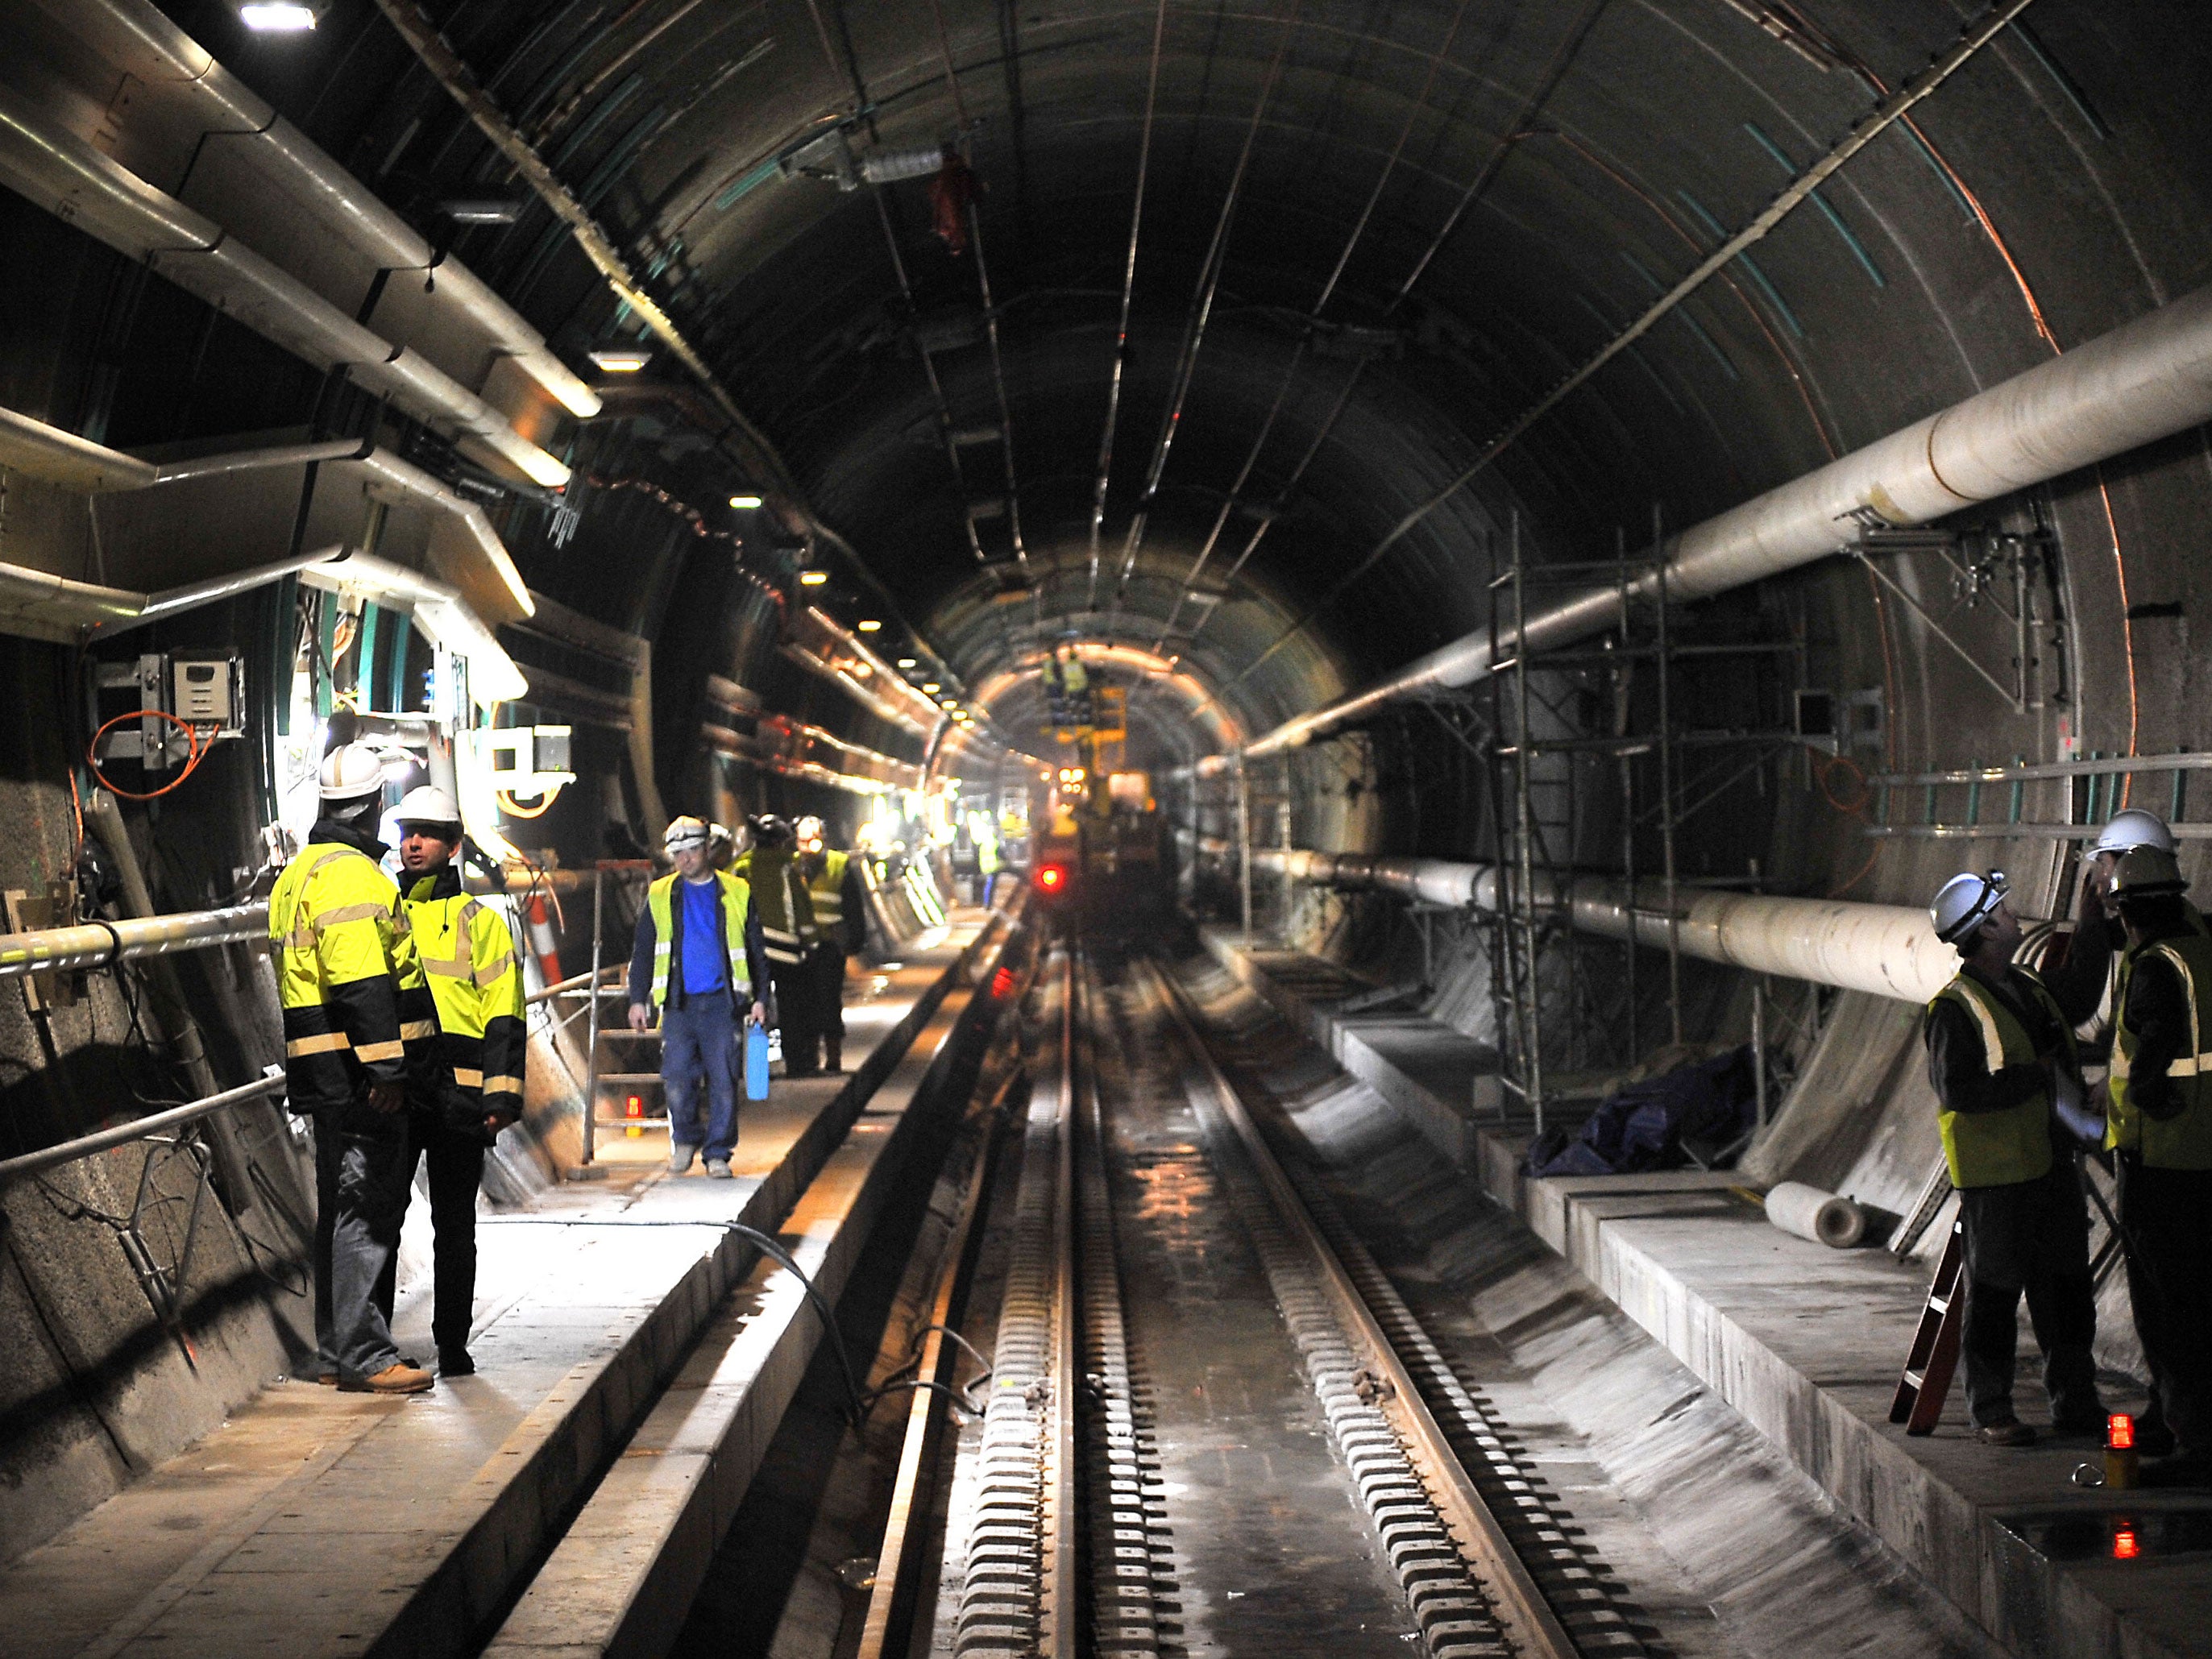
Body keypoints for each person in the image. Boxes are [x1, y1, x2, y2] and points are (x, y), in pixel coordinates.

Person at [269, 743, 436, 1395]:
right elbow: (363, 985)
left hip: (321, 1074)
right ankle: (366, 1354)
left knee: (338, 1207)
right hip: (361, 1079)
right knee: (366, 1210)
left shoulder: (296, 876)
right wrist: (388, 1072)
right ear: (373, 808)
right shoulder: (355, 877)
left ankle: (338, 1347)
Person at [1924, 869, 2106, 1445]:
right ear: (1983, 930)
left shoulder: (2026, 984)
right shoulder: (1953, 1009)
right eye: (2000, 911)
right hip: (1997, 1179)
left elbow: (2078, 988)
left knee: (2066, 1291)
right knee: (1996, 1297)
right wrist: (2037, 1078)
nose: (2012, 913)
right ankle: (1991, 1410)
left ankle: (2075, 1402)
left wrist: (2092, 911)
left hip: (2049, 1166)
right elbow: (1959, 1091)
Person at [389, 787, 524, 1377]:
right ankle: (376, 1344)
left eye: (425, 833)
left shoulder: (481, 923)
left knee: (455, 1226)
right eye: (406, 832)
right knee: (382, 1219)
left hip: (461, 1095)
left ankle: (452, 1343)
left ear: (453, 846)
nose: (412, 842)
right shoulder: (382, 913)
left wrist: (501, 1096)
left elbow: (504, 1014)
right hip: (398, 1089)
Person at [2099, 845, 2212, 1485]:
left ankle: (2193, 1437)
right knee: (2193, 1294)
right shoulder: (2200, 950)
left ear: (2123, 913)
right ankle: (2170, 1413)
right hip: (2202, 1153)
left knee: (2167, 1304)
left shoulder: (2151, 968)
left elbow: (2153, 1059)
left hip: (2159, 1158)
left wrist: (2138, 1091)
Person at [628, 816, 767, 1176]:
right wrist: (637, 999)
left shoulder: (737, 891)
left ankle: (718, 1152)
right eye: (678, 854)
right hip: (678, 1004)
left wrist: (761, 998)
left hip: (724, 1003)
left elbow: (755, 950)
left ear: (707, 849)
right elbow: (643, 950)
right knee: (677, 1077)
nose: (685, 860)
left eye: (691, 851)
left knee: (723, 1080)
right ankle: (686, 1139)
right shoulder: (660, 894)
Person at [732, 815, 823, 1075]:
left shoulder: (741, 867)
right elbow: (801, 907)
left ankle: (755, 1069)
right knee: (793, 1008)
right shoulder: (788, 867)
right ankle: (797, 1064)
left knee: (753, 1009)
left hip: (750, 949)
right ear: (782, 842)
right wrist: (812, 943)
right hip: (786, 951)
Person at [795, 815, 867, 1074]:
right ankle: (810, 1055)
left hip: (829, 946)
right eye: (802, 842)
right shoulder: (792, 867)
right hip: (802, 946)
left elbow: (853, 905)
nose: (807, 848)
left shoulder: (839, 864)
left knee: (828, 1000)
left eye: (812, 842)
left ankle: (833, 1055)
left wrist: (854, 940)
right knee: (805, 1002)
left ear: (823, 840)